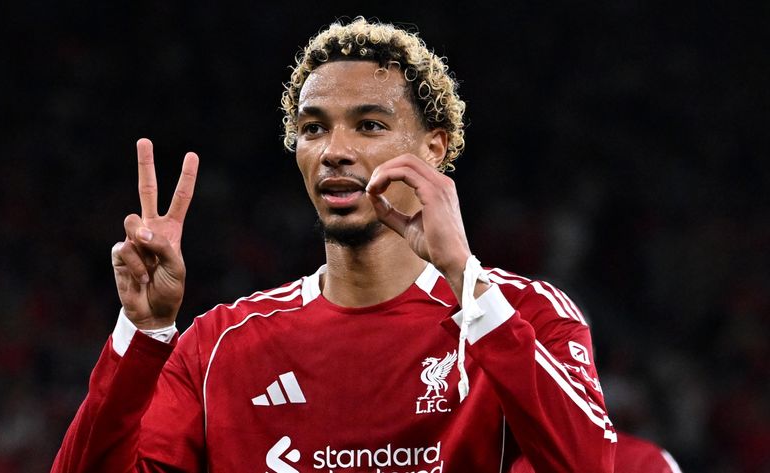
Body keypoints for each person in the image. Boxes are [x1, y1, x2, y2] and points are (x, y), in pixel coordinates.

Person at [52, 17, 616, 472]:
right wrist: (143, 333)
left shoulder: (525, 318)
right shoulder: (218, 348)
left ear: (433, 148)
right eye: (314, 128)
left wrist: (465, 277)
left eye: (369, 125)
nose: (333, 151)